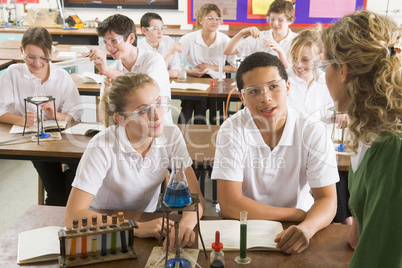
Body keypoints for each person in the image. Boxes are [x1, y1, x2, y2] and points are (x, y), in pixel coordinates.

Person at [211, 52, 339, 254]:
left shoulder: (312, 131)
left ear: (287, 87)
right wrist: (297, 214)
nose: (266, 98)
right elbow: (230, 204)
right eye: (254, 91)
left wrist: (306, 227)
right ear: (242, 97)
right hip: (243, 224)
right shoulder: (231, 129)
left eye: (273, 86)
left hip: (297, 227)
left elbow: (327, 199)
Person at [65, 72, 205, 250]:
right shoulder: (101, 145)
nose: (156, 115)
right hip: (103, 227)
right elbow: (73, 216)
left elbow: (196, 199)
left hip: (148, 219)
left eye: (158, 103)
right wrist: (134, 226)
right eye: (143, 110)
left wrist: (186, 224)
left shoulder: (171, 135)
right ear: (121, 119)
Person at [321, 10, 402, 267]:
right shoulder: (367, 130)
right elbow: (358, 236)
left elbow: (381, 259)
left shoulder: (393, 148)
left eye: (325, 67)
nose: (324, 76)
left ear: (343, 70)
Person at [0, 26, 82, 206]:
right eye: (31, 57)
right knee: (58, 195)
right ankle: (57, 208)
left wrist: (56, 115)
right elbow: (0, 110)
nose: (38, 63)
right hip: (35, 142)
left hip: (64, 141)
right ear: (21, 51)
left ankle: (63, 205)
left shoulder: (61, 77)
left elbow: (75, 114)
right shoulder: (13, 73)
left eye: (44, 57)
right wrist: (21, 120)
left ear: (51, 53)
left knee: (79, 173)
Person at [88, 14, 173, 124]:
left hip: (157, 129)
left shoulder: (154, 60)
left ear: (131, 38)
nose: (109, 48)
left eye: (114, 40)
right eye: (105, 42)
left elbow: (145, 89)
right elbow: (103, 117)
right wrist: (108, 95)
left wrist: (109, 72)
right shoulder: (112, 69)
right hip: (128, 132)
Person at [178, 3, 237, 124]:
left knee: (197, 102)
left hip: (215, 83)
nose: (214, 21)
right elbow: (175, 64)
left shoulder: (225, 40)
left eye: (217, 19)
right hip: (192, 80)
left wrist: (212, 67)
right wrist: (190, 72)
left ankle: (193, 132)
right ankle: (183, 134)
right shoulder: (188, 39)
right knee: (190, 103)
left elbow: (236, 67)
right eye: (209, 18)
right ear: (200, 20)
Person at [224, 0, 297, 69]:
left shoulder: (297, 40)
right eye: (272, 19)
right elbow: (228, 51)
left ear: (290, 20)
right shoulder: (260, 37)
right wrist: (242, 33)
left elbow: (295, 71)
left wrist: (280, 51)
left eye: (280, 20)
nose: (275, 23)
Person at [138, 12, 182, 79]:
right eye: (155, 29)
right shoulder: (138, 47)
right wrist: (169, 53)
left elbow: (177, 71)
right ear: (144, 31)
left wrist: (158, 73)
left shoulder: (168, 41)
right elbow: (148, 76)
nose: (160, 32)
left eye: (162, 28)